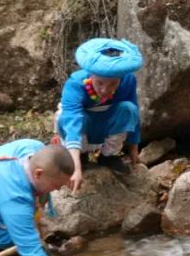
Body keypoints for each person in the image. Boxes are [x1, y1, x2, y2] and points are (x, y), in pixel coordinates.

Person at [57, 37, 144, 192]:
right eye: (99, 83)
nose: (105, 90)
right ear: (90, 75)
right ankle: (80, 157)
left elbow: (133, 111)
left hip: (106, 123)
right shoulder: (75, 84)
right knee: (67, 116)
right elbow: (72, 122)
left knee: (129, 108)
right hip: (83, 125)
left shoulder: (128, 80)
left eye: (112, 84)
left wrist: (134, 149)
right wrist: (76, 168)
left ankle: (108, 156)